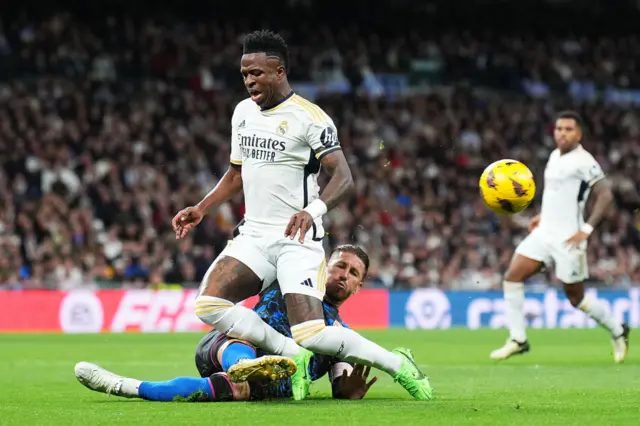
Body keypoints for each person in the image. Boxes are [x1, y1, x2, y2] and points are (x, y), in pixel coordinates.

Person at [171, 30, 431, 400]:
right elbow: (235, 173)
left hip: (297, 240)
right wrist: (202, 207)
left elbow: (343, 176)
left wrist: (313, 210)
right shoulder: (242, 113)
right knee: (208, 305)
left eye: (257, 73)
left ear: (279, 71)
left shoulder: (311, 118)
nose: (249, 81)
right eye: (245, 73)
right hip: (255, 237)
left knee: (312, 332)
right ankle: (289, 352)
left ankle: (398, 364)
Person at [74, 245, 411, 402]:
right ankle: (247, 365)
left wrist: (347, 393)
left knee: (231, 390)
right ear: (325, 265)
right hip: (227, 345)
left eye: (353, 273)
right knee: (244, 345)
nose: (343, 275)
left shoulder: (341, 338)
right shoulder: (287, 280)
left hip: (264, 389)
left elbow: (341, 384)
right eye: (339, 265)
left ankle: (123, 386)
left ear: (359, 286)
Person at [490, 111, 630, 362]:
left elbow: (606, 195)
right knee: (512, 276)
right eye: (558, 129)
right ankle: (518, 339)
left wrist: (585, 230)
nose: (562, 133)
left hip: (569, 238)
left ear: (579, 134)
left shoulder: (584, 161)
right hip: (544, 232)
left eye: (568, 129)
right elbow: (558, 194)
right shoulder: (554, 156)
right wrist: (542, 216)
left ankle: (618, 329)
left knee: (576, 297)